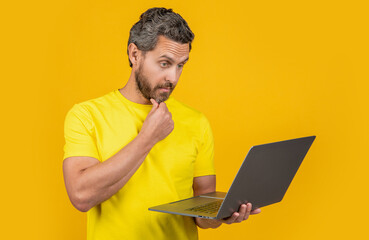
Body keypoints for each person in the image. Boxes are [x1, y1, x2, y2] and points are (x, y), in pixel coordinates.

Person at [62, 7, 261, 240]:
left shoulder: (197, 122)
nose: (173, 78)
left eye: (181, 65)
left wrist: (222, 214)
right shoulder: (87, 115)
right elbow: (81, 195)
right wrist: (148, 137)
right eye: (165, 63)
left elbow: (202, 212)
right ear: (134, 55)